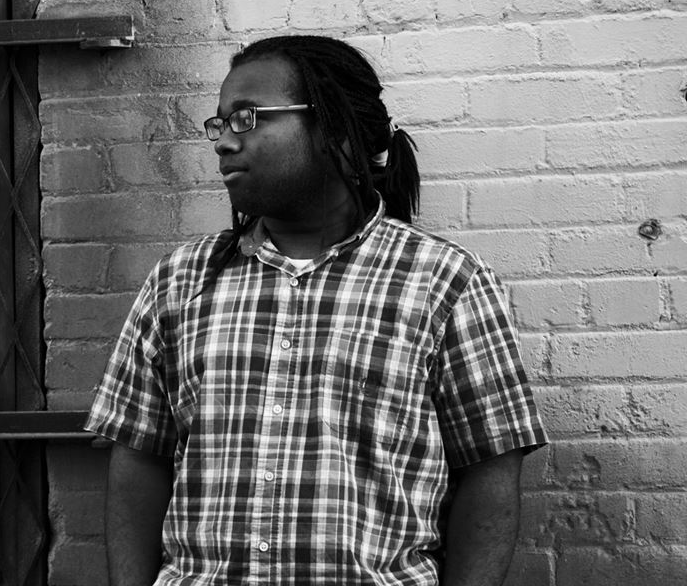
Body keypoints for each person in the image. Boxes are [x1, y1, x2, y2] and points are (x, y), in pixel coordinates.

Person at [85, 35, 547, 586]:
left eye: (247, 118)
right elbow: (139, 461)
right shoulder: (180, 280)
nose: (224, 142)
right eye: (219, 124)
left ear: (334, 128)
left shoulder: (443, 281)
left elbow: (489, 472)